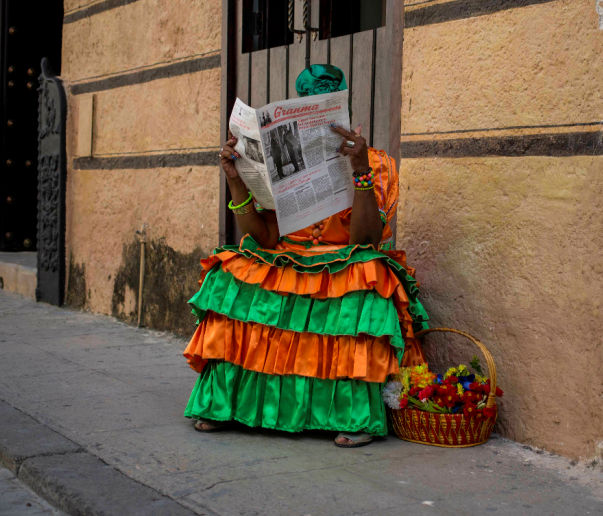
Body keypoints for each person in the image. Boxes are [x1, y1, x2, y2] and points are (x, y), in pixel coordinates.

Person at [183, 64, 428, 447]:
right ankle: (228, 404)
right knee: (229, 272)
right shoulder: (282, 158)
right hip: (289, 257)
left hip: (343, 260)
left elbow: (366, 239)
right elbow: (263, 237)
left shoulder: (375, 162)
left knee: (370, 273)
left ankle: (353, 414)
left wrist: (360, 170)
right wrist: (235, 177)